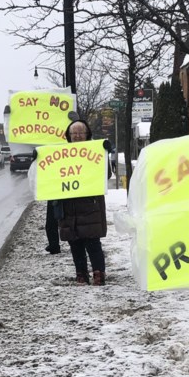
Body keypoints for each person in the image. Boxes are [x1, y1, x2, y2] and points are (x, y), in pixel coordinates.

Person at [55, 120, 111, 285]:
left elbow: (105, 175)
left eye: (81, 132)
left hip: (90, 206)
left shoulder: (95, 153)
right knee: (75, 243)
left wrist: (105, 154)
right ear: (69, 136)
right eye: (74, 133)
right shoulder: (59, 154)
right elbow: (48, 175)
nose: (78, 136)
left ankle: (98, 273)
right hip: (69, 207)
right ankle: (81, 274)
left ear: (87, 135)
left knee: (92, 242)